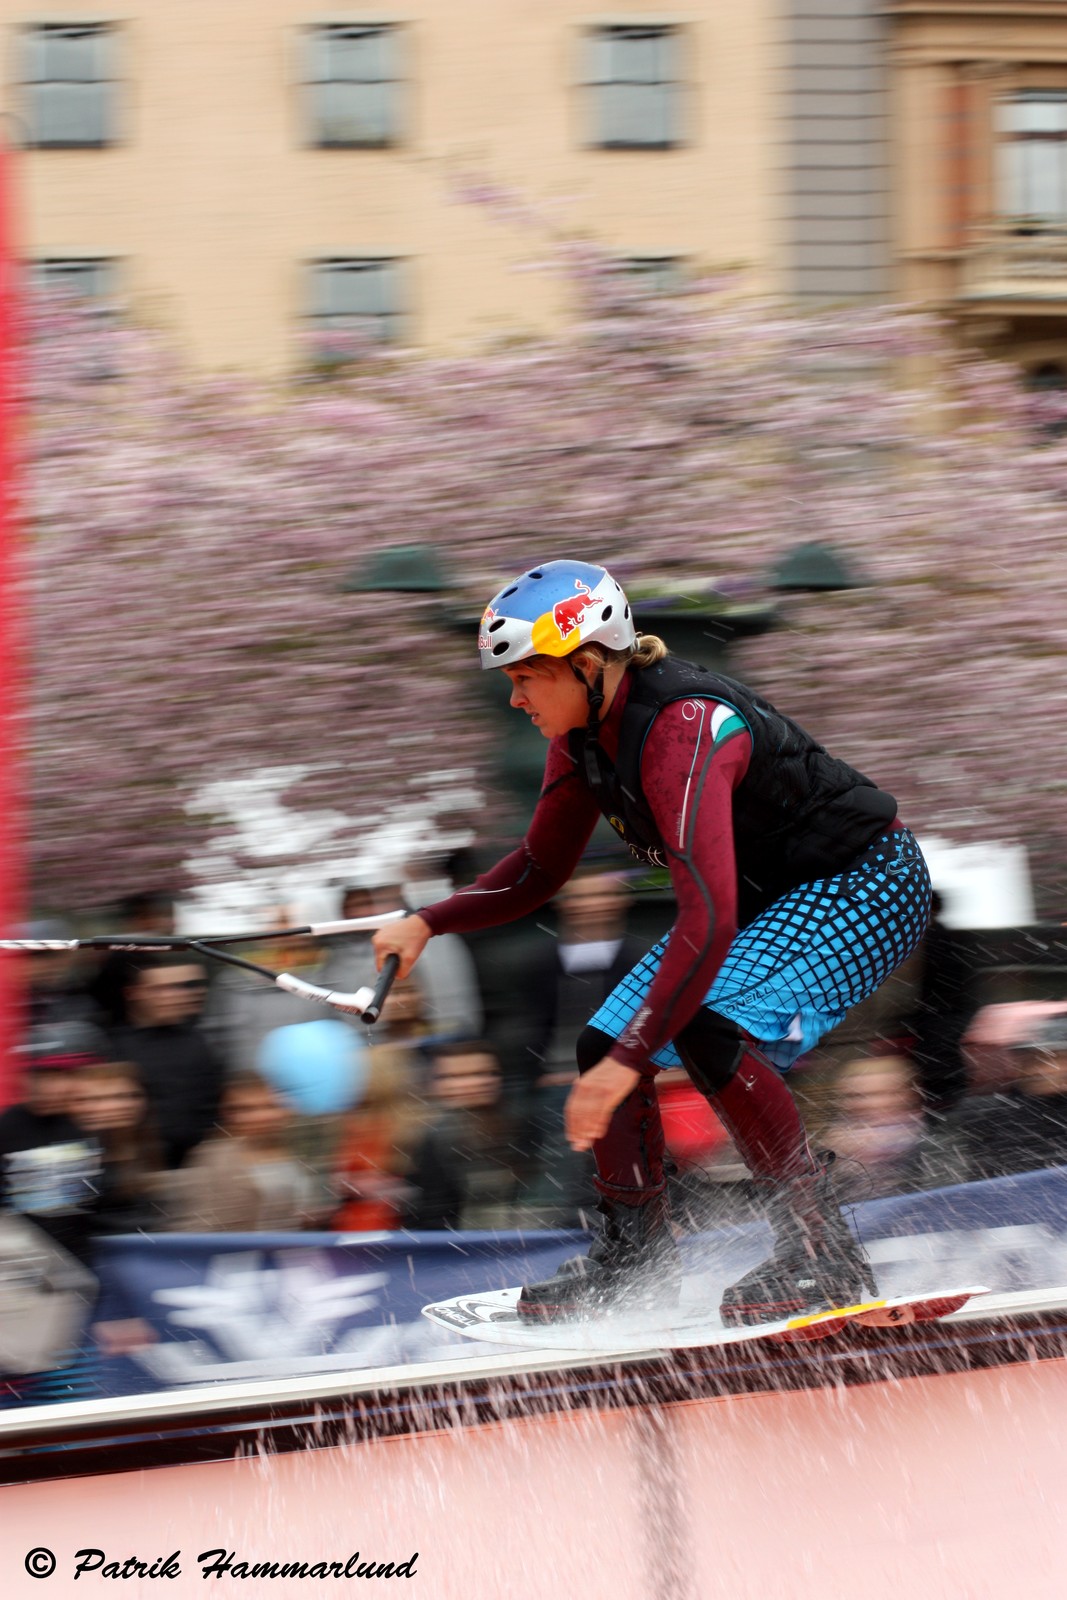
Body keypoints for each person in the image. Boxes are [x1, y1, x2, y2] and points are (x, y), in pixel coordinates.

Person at [372, 559, 932, 1326]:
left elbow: (708, 921)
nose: (514, 698)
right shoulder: (582, 736)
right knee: (604, 1044)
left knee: (704, 1028)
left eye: (526, 677)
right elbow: (537, 869)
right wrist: (428, 921)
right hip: (766, 900)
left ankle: (821, 1253)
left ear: (587, 664)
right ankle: (633, 1263)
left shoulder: (684, 729)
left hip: (864, 883)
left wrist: (628, 1064)